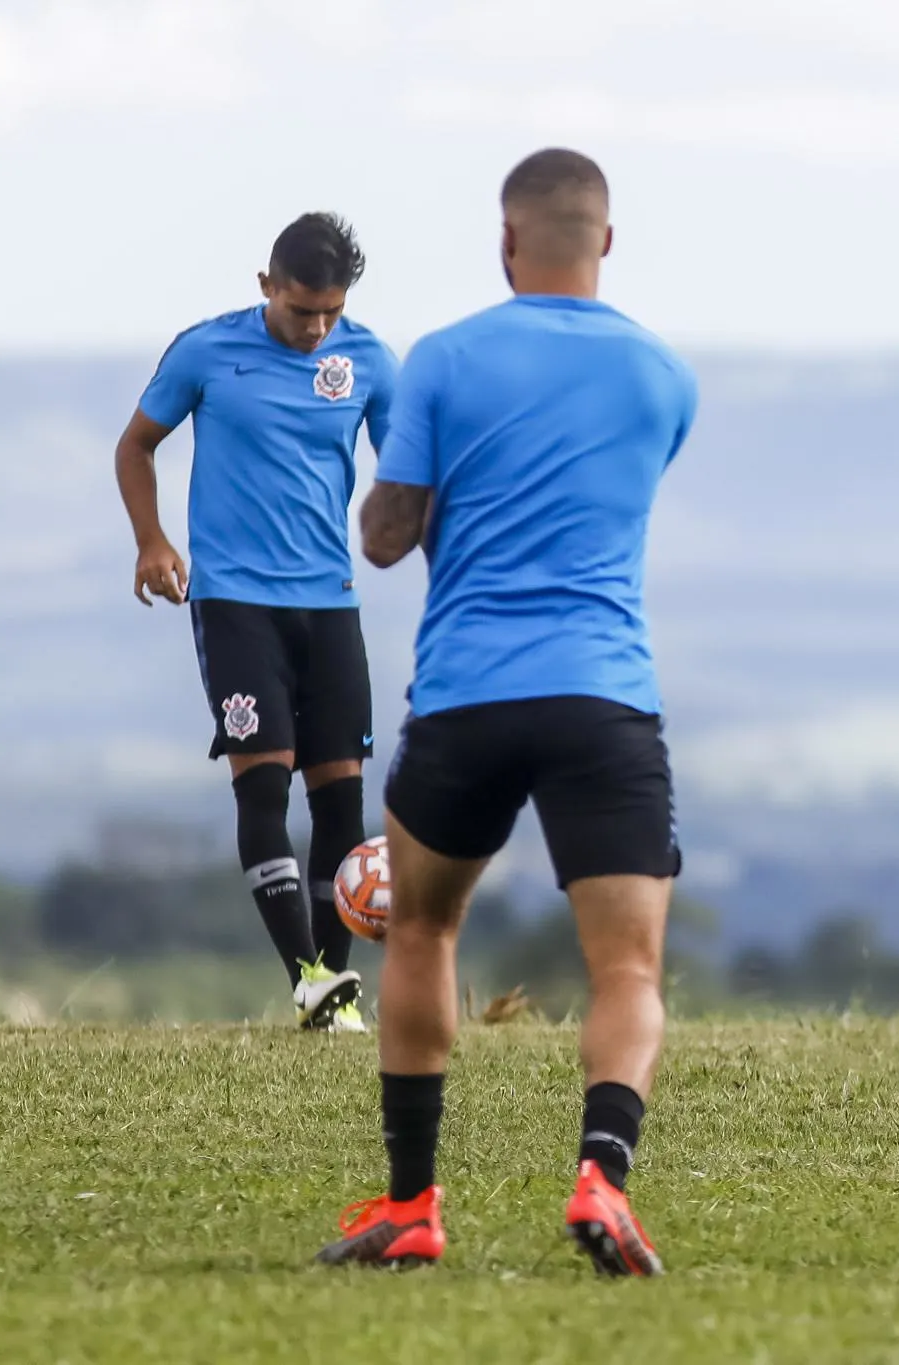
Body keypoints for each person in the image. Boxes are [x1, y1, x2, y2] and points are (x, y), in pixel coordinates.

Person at [316, 148, 696, 1274]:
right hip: (603, 698)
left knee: (424, 927)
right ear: (608, 242)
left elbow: (384, 539)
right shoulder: (663, 374)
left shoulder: (443, 359)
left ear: (505, 240)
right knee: (627, 970)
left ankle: (412, 1207)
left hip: (468, 694)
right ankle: (601, 1178)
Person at [114, 213, 394, 1032]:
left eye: (329, 313)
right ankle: (304, 971)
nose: (315, 329)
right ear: (266, 286)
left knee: (341, 801)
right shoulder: (207, 351)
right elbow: (136, 445)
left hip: (331, 604)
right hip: (236, 602)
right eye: (300, 309)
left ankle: (329, 997)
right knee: (263, 779)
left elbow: (408, 465)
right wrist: (151, 539)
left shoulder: (370, 359)